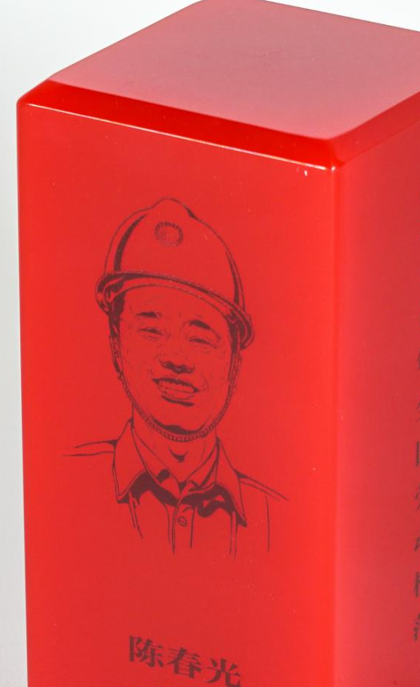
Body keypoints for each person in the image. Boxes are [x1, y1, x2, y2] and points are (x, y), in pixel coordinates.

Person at [64, 197, 286, 556]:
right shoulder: (63, 484)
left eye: (200, 338)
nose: (177, 359)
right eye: (152, 330)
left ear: (235, 363)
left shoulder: (278, 519)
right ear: (115, 344)